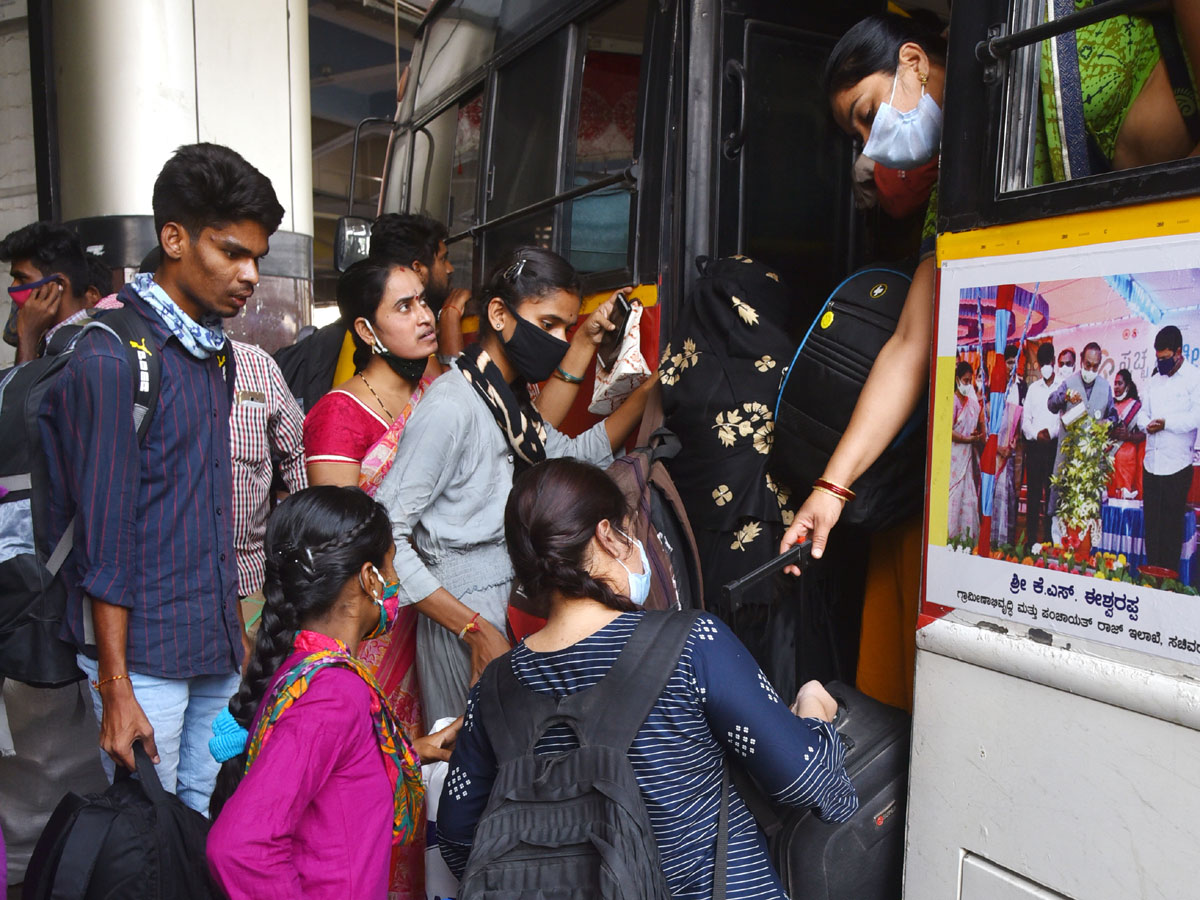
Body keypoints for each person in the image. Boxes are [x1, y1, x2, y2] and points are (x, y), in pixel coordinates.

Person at [436, 459, 858, 897]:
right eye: (629, 530)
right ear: (606, 536)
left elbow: (458, 835)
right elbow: (810, 781)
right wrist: (813, 706)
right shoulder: (691, 643)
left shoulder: (495, 688)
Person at [38, 142, 284, 813]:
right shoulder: (111, 354)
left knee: (203, 822)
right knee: (146, 831)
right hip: (142, 657)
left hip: (210, 639)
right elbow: (105, 535)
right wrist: (114, 687)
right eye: (232, 251)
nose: (250, 273)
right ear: (174, 238)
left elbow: (206, 510)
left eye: (258, 257)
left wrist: (238, 636)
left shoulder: (214, 354)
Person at [374, 247, 656, 725]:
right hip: (460, 623)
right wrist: (473, 631)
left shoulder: (509, 402)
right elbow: (385, 532)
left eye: (566, 328)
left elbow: (574, 454)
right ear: (500, 315)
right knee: (465, 765)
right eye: (547, 325)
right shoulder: (453, 406)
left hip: (503, 610)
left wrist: (651, 391)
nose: (559, 340)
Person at [206, 486, 459, 900]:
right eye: (391, 568)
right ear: (368, 579)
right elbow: (239, 847)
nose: (396, 585)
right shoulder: (334, 693)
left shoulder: (302, 667)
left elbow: (332, 783)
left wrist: (412, 750)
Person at [302, 258, 438, 897]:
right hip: (375, 625)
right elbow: (340, 542)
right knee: (373, 780)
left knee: (432, 774)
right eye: (404, 307)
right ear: (366, 327)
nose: (425, 315)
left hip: (435, 617)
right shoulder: (339, 414)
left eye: (425, 301)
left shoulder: (437, 397)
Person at [229, 339, 308, 643]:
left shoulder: (256, 366)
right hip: (169, 594)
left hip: (252, 580)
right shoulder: (134, 354)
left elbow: (299, 448)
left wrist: (299, 539)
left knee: (253, 685)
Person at [1136, 326, 1200, 570]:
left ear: (1179, 352)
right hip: (1152, 464)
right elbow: (1142, 413)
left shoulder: (1194, 379)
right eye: (1158, 358)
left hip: (1177, 466)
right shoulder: (1154, 380)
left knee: (1170, 531)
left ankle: (1168, 586)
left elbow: (1195, 417)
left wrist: (1166, 424)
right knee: (1152, 528)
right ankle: (1152, 578)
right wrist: (1146, 424)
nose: (1160, 363)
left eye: (1165, 358)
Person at [370, 213, 472, 359]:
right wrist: (450, 317)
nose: (450, 269)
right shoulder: (404, 340)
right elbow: (451, 382)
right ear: (418, 269)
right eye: (443, 259)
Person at [1, 222, 93, 362]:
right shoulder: (48, 343)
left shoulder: (86, 346)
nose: (14, 287)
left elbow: (27, 385)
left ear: (59, 285)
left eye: (22, 278)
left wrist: (27, 338)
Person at [1022, 342, 1063, 544]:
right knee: (1033, 495)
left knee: (1051, 496)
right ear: (1038, 364)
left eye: (1049, 362)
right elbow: (1025, 421)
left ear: (1054, 361)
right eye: (1042, 363)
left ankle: (1048, 540)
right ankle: (1030, 541)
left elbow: (1063, 419)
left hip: (1053, 448)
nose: (1046, 366)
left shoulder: (1062, 388)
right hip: (1035, 447)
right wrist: (1037, 434)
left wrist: (1051, 432)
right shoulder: (1033, 390)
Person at [992, 346, 1025, 547]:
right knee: (996, 494)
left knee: (1012, 495)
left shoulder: (1023, 388)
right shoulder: (996, 388)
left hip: (1016, 451)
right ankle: (994, 538)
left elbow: (1023, 417)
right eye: (1009, 361)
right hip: (997, 452)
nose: (1012, 366)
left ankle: (1009, 542)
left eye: (1015, 361)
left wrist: (1015, 439)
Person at [949, 362, 983, 541]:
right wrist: (967, 439)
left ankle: (966, 539)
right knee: (953, 496)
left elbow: (974, 425)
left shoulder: (972, 403)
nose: (968, 384)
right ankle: (950, 538)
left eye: (970, 381)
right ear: (957, 380)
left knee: (968, 496)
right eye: (965, 380)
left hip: (968, 457)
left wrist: (975, 435)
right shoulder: (953, 400)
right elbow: (948, 430)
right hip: (954, 458)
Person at [1109, 368, 1146, 498]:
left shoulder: (1136, 406)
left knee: (1124, 497)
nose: (1116, 387)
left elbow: (1144, 434)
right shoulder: (1110, 405)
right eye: (1115, 383)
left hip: (1126, 460)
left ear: (1128, 386)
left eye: (1120, 383)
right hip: (1108, 458)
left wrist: (1128, 436)